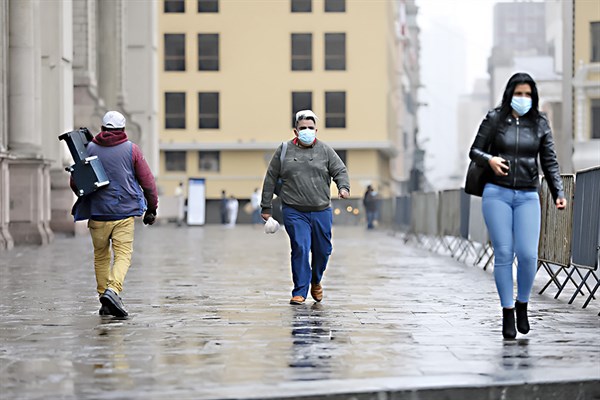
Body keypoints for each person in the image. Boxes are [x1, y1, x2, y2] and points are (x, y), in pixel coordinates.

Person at [469, 72, 566, 339]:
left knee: (527, 255)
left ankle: (523, 303)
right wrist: (489, 160)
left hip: (527, 195)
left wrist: (558, 191)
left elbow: (549, 161)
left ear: (533, 97)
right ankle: (507, 312)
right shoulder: (494, 119)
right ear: (509, 94)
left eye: (527, 94)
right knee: (503, 253)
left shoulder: (540, 123)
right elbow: (474, 151)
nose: (522, 98)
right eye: (518, 93)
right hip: (496, 193)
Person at [70, 110, 158, 317]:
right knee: (123, 256)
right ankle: (113, 290)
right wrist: (152, 207)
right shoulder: (132, 150)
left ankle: (104, 297)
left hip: (98, 214)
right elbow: (148, 181)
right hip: (124, 214)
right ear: (123, 129)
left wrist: (88, 196)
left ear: (102, 129)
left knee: (101, 256)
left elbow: (75, 181)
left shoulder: (88, 148)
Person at [260, 109, 350, 305]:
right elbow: (270, 179)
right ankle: (300, 290)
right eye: (303, 128)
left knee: (323, 250)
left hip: (321, 209)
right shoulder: (284, 150)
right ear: (295, 131)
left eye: (310, 128)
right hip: (294, 210)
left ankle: (316, 280)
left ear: (316, 131)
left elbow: (340, 170)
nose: (307, 131)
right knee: (300, 247)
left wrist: (343, 187)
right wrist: (266, 208)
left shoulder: (325, 151)